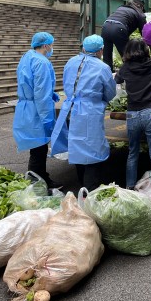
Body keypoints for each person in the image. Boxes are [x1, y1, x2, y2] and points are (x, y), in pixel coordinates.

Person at [50, 35, 116, 191]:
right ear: (101, 50)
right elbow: (110, 92)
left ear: (84, 48)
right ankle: (90, 189)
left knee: (77, 147)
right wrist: (100, 101)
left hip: (70, 109)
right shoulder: (103, 68)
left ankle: (82, 186)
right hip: (90, 111)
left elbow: (67, 83)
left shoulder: (71, 62)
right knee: (92, 152)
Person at [114, 39, 151, 202]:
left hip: (132, 113)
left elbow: (116, 80)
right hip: (150, 112)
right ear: (145, 50)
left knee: (133, 152)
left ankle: (130, 187)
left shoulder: (125, 68)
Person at [13, 32, 61, 189]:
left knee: (36, 148)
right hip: (36, 109)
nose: (52, 47)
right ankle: (37, 184)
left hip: (27, 107)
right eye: (51, 44)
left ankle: (41, 178)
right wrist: (47, 118)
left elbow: (30, 83)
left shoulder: (28, 57)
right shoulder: (42, 62)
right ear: (46, 45)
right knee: (39, 150)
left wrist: (49, 92)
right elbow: (41, 94)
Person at [101, 0, 147, 71]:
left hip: (105, 26)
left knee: (107, 56)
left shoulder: (121, 8)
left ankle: (108, 77)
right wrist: (145, 46)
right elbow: (144, 32)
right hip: (119, 28)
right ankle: (131, 77)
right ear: (140, 6)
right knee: (127, 55)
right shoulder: (140, 14)